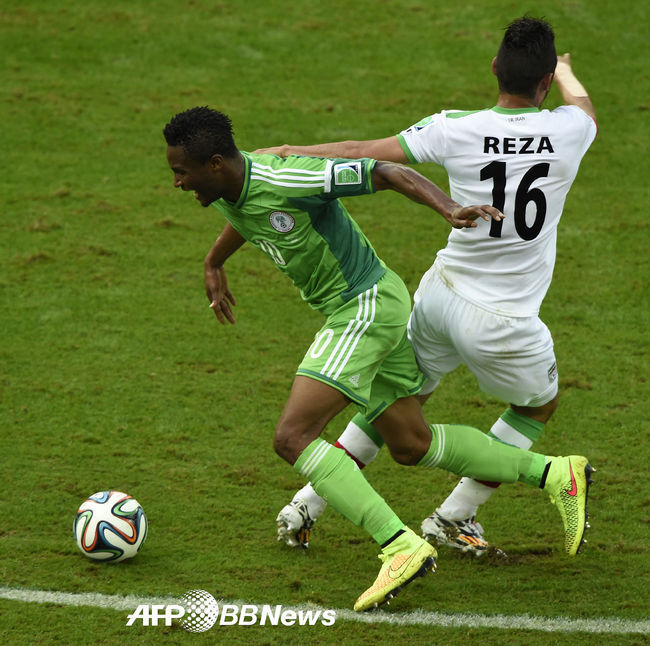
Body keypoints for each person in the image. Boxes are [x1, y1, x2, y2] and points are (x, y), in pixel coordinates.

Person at [163, 106, 593, 611]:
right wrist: (214, 261)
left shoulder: (289, 178)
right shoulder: (230, 185)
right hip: (369, 304)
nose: (177, 183)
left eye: (181, 172)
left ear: (215, 164)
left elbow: (386, 171)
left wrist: (448, 207)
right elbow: (249, 213)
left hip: (362, 306)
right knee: (410, 443)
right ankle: (554, 473)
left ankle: (399, 546)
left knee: (292, 436)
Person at [262, 16, 598, 556]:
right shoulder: (571, 130)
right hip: (504, 321)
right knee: (538, 406)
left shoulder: (454, 127)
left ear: (495, 67)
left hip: (439, 294)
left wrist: (289, 152)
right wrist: (565, 72)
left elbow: (363, 151)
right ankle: (454, 516)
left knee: (399, 398)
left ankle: (305, 505)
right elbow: (584, 107)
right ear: (543, 82)